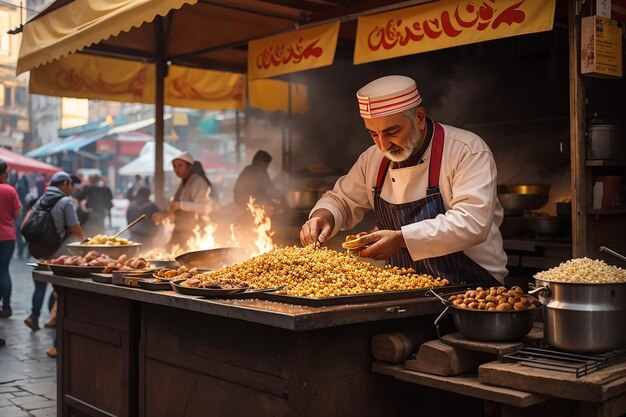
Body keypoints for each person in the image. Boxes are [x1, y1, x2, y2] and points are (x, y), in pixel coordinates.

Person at [300, 75, 507, 286]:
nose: (383, 145)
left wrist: (402, 239)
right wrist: (323, 217)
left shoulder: (467, 150)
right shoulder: (372, 159)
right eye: (373, 134)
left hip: (473, 289)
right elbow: (341, 200)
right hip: (404, 289)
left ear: (419, 117)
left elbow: (473, 222)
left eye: (392, 132)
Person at [23, 171, 85, 331]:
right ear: (65, 184)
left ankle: (34, 317)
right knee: (59, 289)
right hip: (57, 252)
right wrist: (85, 249)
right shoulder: (66, 201)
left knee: (39, 286)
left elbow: (24, 224)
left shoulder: (41, 199)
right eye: (71, 184)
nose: (72, 188)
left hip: (38, 250)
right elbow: (75, 230)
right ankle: (56, 321)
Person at [152, 152, 210, 249]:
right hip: (179, 232)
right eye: (174, 166)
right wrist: (164, 215)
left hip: (193, 234)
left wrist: (180, 205)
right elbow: (176, 211)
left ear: (190, 167)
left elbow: (204, 207)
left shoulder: (198, 182)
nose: (177, 169)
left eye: (180, 166)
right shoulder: (183, 184)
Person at [0, 159, 21, 318]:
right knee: (4, 270)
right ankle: (6, 306)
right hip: (7, 237)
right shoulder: (10, 190)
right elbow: (16, 215)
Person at [14, 174, 29, 258]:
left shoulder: (21, 182)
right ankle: (23, 250)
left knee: (19, 232)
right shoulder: (21, 182)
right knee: (21, 232)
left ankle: (21, 250)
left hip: (21, 211)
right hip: (22, 211)